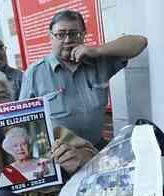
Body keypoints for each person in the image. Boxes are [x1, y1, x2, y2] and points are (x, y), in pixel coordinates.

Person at [19, 10, 148, 148]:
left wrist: (97, 50)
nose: (68, 40)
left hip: (95, 149)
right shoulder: (34, 73)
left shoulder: (97, 61)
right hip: (61, 157)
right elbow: (23, 120)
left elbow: (140, 42)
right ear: (50, 36)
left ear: (83, 34)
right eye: (61, 34)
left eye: (74, 34)